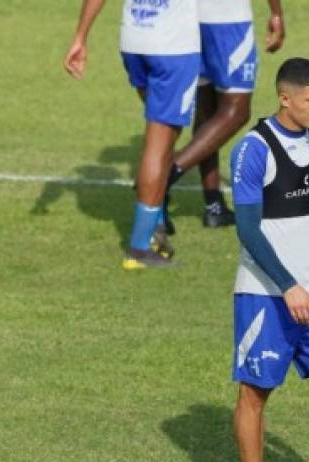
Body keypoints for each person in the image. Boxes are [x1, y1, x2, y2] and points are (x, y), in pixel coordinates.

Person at [230, 58, 309, 462]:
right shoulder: (254, 150)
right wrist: (288, 285)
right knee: (255, 393)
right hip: (265, 294)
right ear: (285, 98)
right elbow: (248, 230)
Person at [64, 0, 201, 269]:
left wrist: (81, 35)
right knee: (159, 141)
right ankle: (139, 248)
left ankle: (155, 226)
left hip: (135, 41)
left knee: (159, 135)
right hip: (172, 47)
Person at [163, 0, 285, 234]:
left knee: (207, 111)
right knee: (236, 111)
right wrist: (276, 13)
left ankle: (214, 205)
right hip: (228, 20)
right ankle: (164, 176)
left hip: (188, 20)